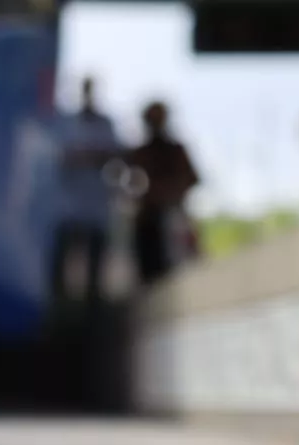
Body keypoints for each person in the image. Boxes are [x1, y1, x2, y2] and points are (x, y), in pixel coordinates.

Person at [52, 77, 123, 305]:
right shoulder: (64, 122)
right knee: (62, 260)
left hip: (97, 202)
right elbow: (57, 155)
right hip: (67, 203)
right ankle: (61, 304)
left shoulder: (106, 123)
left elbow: (115, 153)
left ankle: (93, 304)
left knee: (95, 262)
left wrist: (89, 156)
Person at [128, 101, 199, 287]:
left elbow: (193, 179)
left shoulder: (176, 151)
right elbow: (128, 184)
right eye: (152, 119)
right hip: (148, 224)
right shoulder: (139, 153)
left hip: (175, 219)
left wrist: (170, 192)